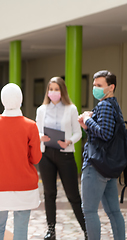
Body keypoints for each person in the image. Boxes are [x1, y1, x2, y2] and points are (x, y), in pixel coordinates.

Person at [0, 83, 41, 240]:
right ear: (21, 100)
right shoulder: (31, 126)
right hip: (25, 185)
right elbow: (36, 158)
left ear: (2, 101)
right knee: (21, 228)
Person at [36, 77, 86, 240]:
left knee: (73, 195)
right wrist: (40, 137)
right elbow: (36, 131)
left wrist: (69, 141)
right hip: (46, 155)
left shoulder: (71, 109)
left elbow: (78, 133)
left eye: (57, 89)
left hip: (65, 154)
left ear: (62, 91)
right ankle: (51, 231)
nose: (53, 92)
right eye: (51, 89)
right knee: (49, 194)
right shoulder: (41, 109)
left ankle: (87, 230)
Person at [78, 70, 125, 240]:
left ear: (111, 87)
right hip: (108, 167)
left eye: (99, 85)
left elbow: (104, 134)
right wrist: (87, 126)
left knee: (89, 211)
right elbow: (107, 134)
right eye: (94, 85)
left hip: (96, 167)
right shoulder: (114, 105)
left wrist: (87, 117)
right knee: (113, 211)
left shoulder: (104, 105)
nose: (95, 89)